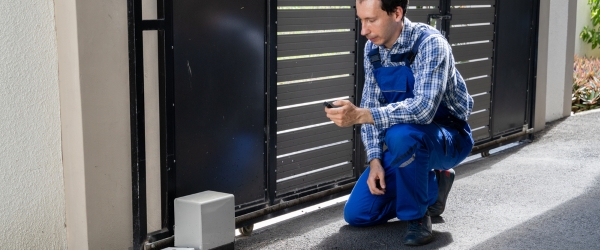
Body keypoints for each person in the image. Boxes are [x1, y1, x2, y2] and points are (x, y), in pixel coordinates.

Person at [324, 0, 474, 246]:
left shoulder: (431, 44)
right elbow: (370, 102)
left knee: (400, 135)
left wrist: (361, 115)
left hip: (449, 137)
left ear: (397, 13)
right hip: (408, 141)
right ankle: (436, 184)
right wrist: (374, 161)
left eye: (371, 20)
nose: (363, 30)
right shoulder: (373, 49)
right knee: (358, 213)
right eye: (361, 20)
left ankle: (416, 217)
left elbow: (423, 109)